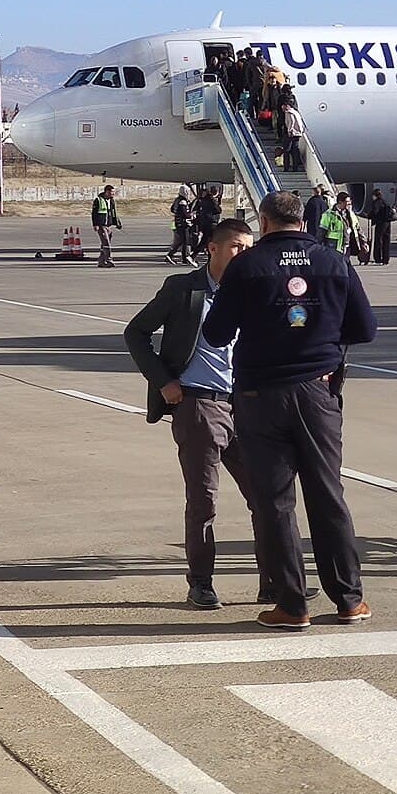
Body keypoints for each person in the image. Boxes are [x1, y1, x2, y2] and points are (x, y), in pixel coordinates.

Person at [203, 190, 377, 628]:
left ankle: (292, 604)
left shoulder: (248, 266)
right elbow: (365, 328)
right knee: (327, 493)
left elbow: (217, 332)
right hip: (317, 392)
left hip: (261, 394)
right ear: (302, 221)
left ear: (263, 223)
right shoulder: (334, 262)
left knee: (275, 500)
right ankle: (349, 598)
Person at [125, 218, 276, 609]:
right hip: (198, 405)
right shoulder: (183, 290)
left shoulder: (255, 291)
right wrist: (163, 381)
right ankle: (202, 583)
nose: (245, 254)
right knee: (204, 499)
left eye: (249, 247)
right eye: (237, 247)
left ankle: (273, 582)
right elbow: (136, 332)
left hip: (246, 404)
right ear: (214, 248)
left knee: (267, 495)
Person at [91, 185, 121, 268]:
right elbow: (94, 213)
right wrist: (95, 224)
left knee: (104, 244)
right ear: (107, 192)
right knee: (106, 242)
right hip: (101, 225)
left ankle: (101, 261)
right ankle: (109, 260)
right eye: (112, 192)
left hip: (108, 225)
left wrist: (117, 223)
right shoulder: (98, 200)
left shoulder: (111, 201)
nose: (113, 194)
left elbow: (113, 212)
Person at [166, 186, 196, 265]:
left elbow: (172, 209)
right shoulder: (183, 202)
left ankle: (181, 257)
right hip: (183, 224)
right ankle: (177, 256)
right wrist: (191, 214)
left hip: (178, 223)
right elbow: (185, 214)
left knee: (182, 241)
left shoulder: (177, 200)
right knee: (185, 241)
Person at [366, 189, 395, 265]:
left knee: (378, 240)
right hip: (388, 222)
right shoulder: (385, 201)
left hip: (381, 223)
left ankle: (378, 258)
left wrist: (369, 216)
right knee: (386, 240)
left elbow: (375, 212)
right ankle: (386, 259)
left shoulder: (377, 202)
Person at [281, 96, 306, 173]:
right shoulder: (295, 112)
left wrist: (289, 130)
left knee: (286, 150)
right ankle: (295, 168)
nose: (282, 108)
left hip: (292, 133)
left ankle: (286, 168)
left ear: (287, 106)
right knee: (295, 150)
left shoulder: (289, 113)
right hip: (298, 133)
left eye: (283, 106)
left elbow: (291, 122)